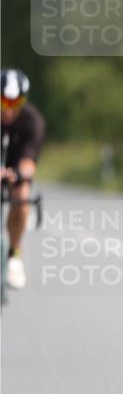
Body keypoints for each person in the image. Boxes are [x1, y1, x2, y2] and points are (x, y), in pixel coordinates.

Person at [1, 68, 45, 290]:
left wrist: (16, 174)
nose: (8, 110)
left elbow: (29, 164)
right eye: (3, 102)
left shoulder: (32, 120)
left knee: (23, 196)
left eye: (14, 103)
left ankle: (14, 255)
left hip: (15, 167)